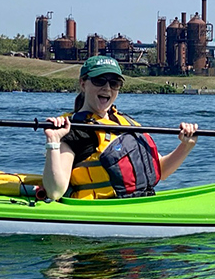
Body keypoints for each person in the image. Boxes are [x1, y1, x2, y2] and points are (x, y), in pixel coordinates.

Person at [42, 55, 198, 201]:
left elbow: (161, 170)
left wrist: (186, 146)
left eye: (114, 83)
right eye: (99, 80)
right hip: (102, 210)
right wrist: (53, 141)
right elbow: (55, 191)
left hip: (142, 202)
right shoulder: (74, 129)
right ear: (83, 84)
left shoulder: (127, 123)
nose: (107, 88)